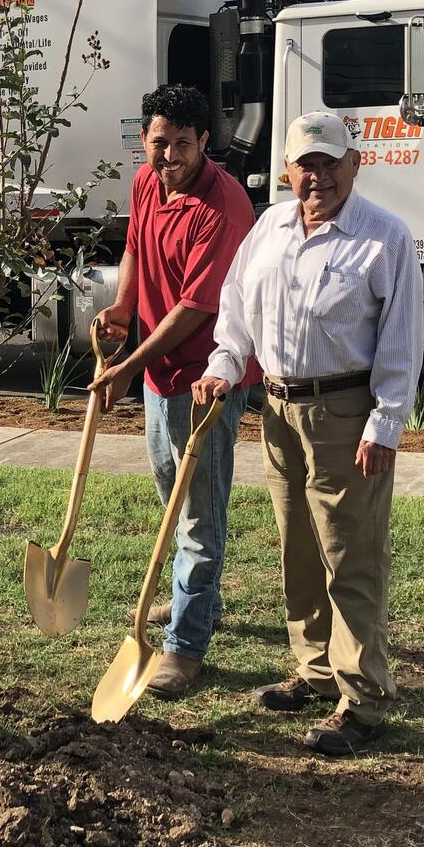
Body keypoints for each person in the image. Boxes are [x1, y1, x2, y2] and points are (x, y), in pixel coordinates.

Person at [193, 111, 421, 756]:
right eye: (304, 165)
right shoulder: (269, 227)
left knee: (349, 554)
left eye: (329, 164)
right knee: (298, 547)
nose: (316, 176)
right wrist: (223, 365)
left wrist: (386, 423)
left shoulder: (384, 238)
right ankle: (316, 669)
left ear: (355, 164)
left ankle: (363, 697)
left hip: (345, 415)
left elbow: (402, 341)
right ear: (287, 169)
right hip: (276, 410)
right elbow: (236, 309)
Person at [91, 83, 259, 697]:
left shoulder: (225, 207)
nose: (170, 158)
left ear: (205, 143)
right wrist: (121, 306)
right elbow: (134, 244)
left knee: (198, 512)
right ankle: (199, 597)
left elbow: (194, 310)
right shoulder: (146, 183)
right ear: (144, 139)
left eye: (183, 145)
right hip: (163, 372)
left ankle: (185, 647)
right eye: (160, 144)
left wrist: (129, 363)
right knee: (172, 487)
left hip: (209, 375)